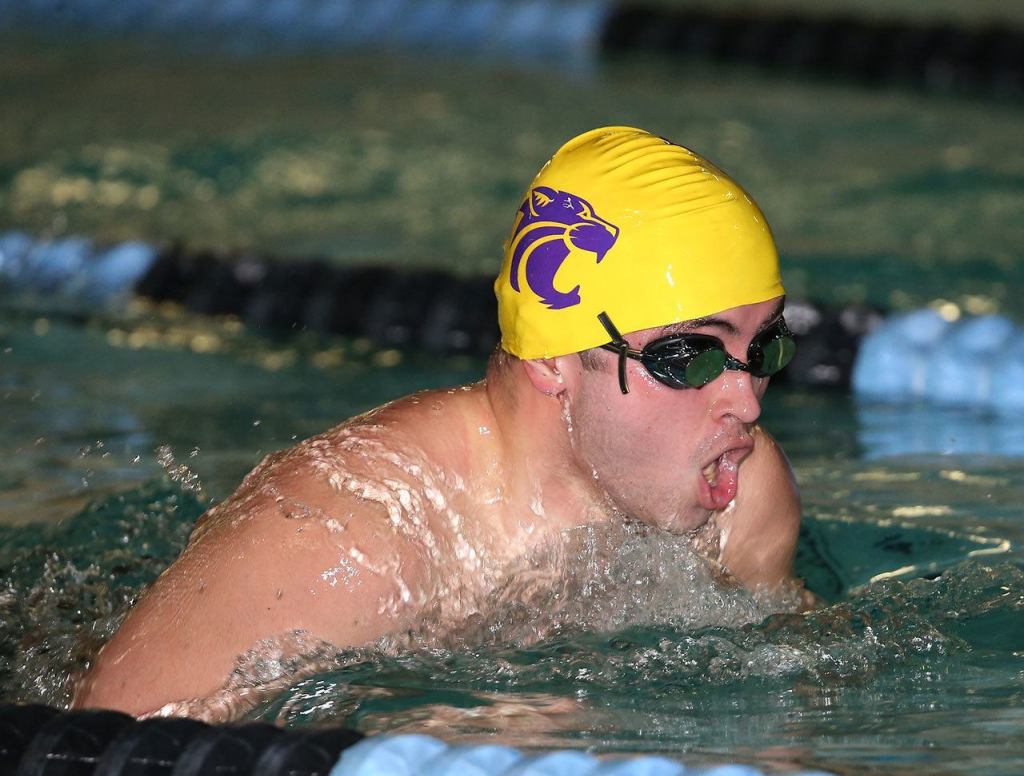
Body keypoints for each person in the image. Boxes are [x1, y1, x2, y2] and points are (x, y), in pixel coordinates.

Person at [75, 126, 803, 717]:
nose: (747, 400)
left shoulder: (741, 497)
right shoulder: (352, 539)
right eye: (690, 356)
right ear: (554, 359)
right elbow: (97, 758)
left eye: (763, 345)